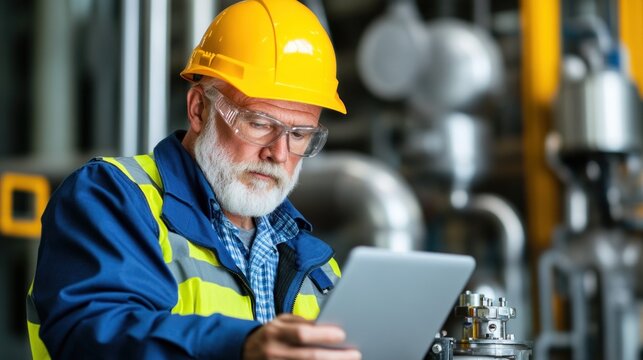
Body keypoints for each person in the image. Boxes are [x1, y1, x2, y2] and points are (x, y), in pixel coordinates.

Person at [26, 0, 361, 359]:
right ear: (199, 109)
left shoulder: (320, 268)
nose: (278, 153)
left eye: (298, 134)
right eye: (260, 124)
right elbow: (92, 337)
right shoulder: (112, 198)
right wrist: (240, 347)